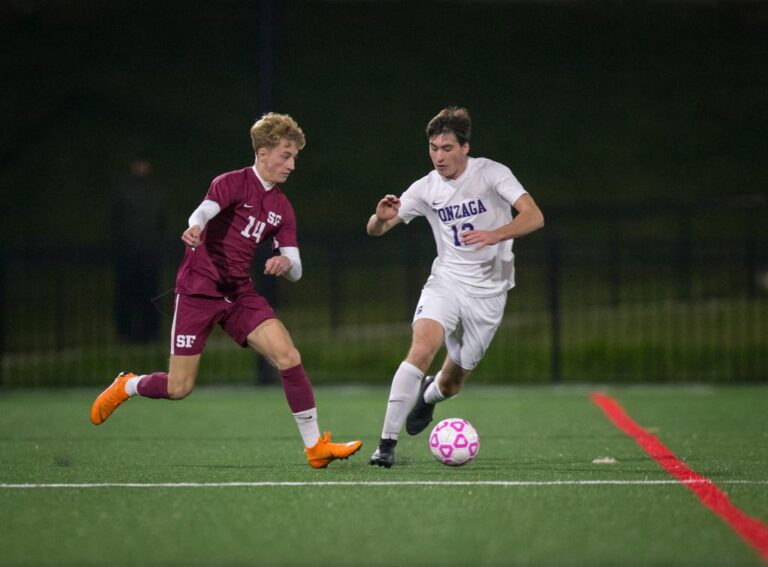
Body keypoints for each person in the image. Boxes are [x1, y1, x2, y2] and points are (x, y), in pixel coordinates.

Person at [91, 113, 362, 469]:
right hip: (198, 292)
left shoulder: (282, 208)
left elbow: (296, 267)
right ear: (263, 153)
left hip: (238, 294)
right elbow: (203, 211)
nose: (292, 164)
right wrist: (194, 228)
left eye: (295, 156)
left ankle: (315, 447)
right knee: (179, 388)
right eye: (286, 154)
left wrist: (285, 264)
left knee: (288, 356)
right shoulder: (232, 183)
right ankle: (128, 385)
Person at [367, 106, 544, 468]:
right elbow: (378, 229)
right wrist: (378, 219)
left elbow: (534, 216)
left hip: (490, 292)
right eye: (433, 148)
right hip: (446, 282)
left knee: (451, 384)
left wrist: (495, 234)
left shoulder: (492, 173)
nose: (439, 156)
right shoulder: (425, 188)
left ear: (465, 147)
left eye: (447, 148)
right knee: (421, 349)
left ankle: (429, 398)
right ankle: (385, 444)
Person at [111, 154, 165, 343]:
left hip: (148, 252)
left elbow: (161, 222)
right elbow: (115, 221)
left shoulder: (154, 192)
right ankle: (126, 333)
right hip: (129, 252)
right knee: (127, 294)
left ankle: (149, 332)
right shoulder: (125, 191)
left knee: (149, 294)